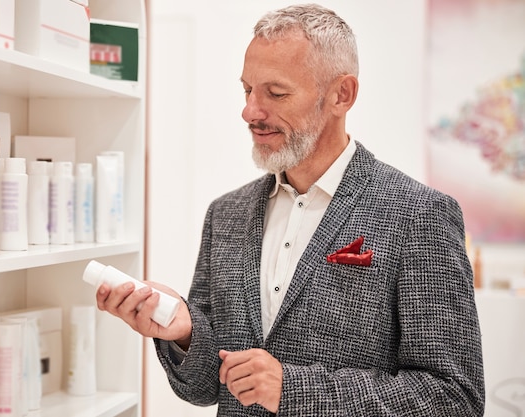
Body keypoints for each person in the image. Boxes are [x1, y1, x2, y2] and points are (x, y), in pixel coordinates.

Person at [95, 3, 485, 416]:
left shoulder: (419, 215)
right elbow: (209, 388)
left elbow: (454, 398)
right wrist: (185, 332)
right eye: (247, 90)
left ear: (342, 94)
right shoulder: (225, 215)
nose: (250, 111)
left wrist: (293, 389)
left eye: (275, 93)